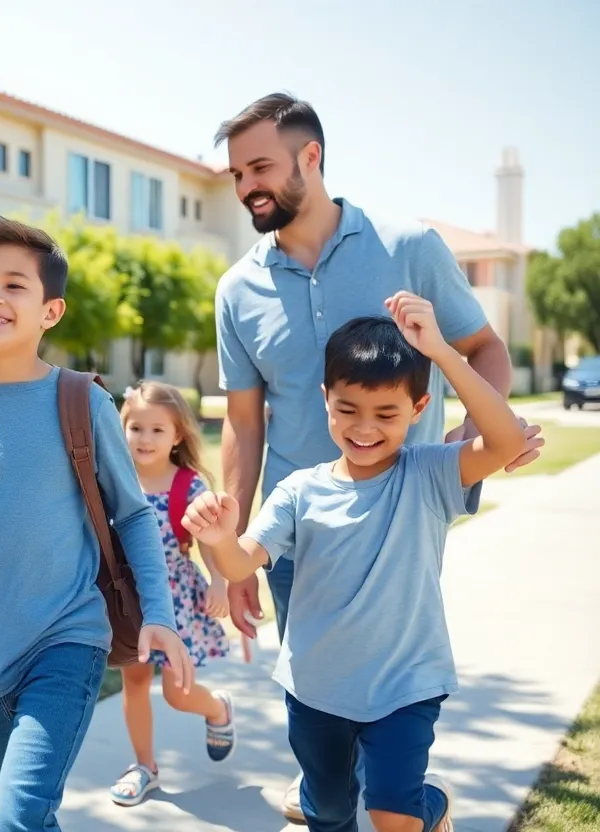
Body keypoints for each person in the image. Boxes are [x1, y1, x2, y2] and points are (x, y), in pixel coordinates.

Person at [211, 92, 544, 822]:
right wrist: (230, 551)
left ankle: (397, 800)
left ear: (311, 157)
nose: (246, 188)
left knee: (382, 681)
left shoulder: (409, 246)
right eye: (236, 174)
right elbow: (243, 422)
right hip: (293, 526)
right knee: (320, 692)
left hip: (400, 509)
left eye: (259, 167)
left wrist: (468, 439)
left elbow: (484, 347)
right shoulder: (236, 290)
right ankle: (329, 796)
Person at [184, 293, 528, 832]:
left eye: (386, 413)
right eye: (347, 409)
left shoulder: (430, 474)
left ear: (418, 410)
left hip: (406, 685)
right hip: (316, 691)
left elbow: (504, 440)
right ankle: (405, 807)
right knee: (329, 814)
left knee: (394, 815)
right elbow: (240, 563)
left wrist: (440, 351)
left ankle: (425, 808)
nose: (364, 428)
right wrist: (223, 537)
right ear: (325, 400)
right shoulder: (299, 490)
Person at [0, 216, 194, 831]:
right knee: (2, 803)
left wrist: (161, 619)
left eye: (14, 285)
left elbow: (134, 515)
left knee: (19, 815)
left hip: (67, 638)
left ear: (50, 311)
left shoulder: (83, 401)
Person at [108, 381, 235, 807]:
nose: (145, 439)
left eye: (157, 430)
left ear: (177, 435)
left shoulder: (188, 485)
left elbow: (209, 540)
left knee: (180, 695)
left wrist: (219, 581)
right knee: (135, 681)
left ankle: (217, 709)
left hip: (177, 599)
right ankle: (145, 767)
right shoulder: (114, 479)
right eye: (136, 428)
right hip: (129, 601)